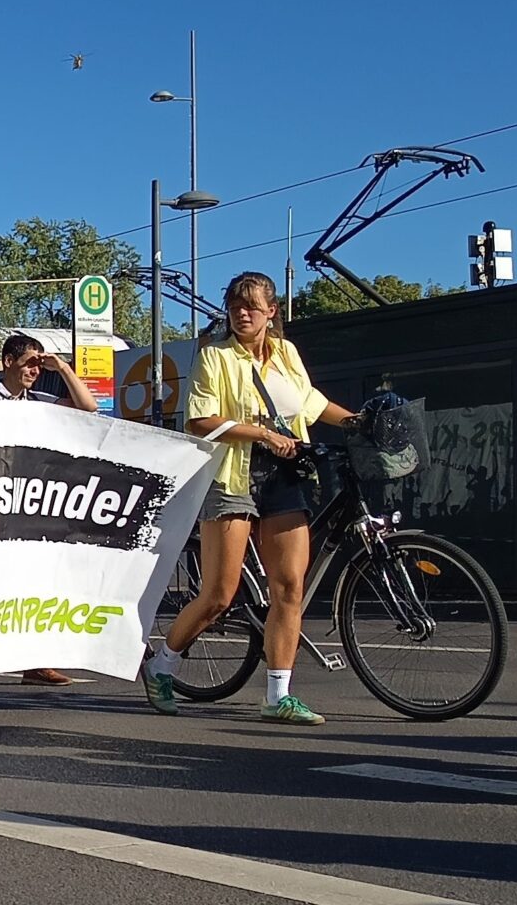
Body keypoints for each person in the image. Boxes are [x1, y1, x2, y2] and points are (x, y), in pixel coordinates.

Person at [143, 271, 355, 726]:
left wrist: (354, 422)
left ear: (271, 313)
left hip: (283, 476)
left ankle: (279, 695)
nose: (242, 313)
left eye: (251, 307)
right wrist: (260, 433)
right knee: (220, 593)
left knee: (289, 588)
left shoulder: (286, 354)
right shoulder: (215, 357)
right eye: (235, 306)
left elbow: (310, 403)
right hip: (231, 477)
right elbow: (199, 420)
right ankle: (162, 665)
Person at [0, 333, 100, 687]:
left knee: (37, 582)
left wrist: (63, 368)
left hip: (30, 504)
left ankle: (36, 662)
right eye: (29, 363)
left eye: (40, 366)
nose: (35, 371)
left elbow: (88, 408)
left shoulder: (40, 400)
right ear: (8, 361)